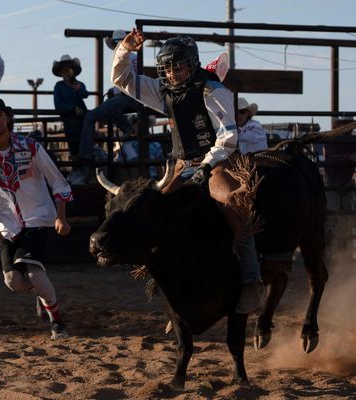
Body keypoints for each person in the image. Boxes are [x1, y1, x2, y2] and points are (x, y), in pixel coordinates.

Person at [112, 29, 262, 314]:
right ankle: (167, 278)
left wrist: (206, 166)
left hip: (220, 161)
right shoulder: (163, 91)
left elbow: (228, 137)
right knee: (152, 209)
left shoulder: (214, 90)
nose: (172, 72)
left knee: (232, 200)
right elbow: (123, 80)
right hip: (182, 165)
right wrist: (124, 50)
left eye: (177, 65)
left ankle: (251, 277)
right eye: (167, 67)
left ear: (192, 63)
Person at [0, 98, 73, 339]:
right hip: (7, 225)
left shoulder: (31, 147)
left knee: (35, 273)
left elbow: (57, 180)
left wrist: (61, 217)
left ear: (7, 118)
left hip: (37, 218)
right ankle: (41, 292)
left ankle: (57, 321)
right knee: (12, 282)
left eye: (0, 115)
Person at [73, 29, 143, 184]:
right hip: (136, 96)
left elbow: (124, 82)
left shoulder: (122, 58)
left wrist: (114, 91)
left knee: (92, 116)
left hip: (128, 96)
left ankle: (86, 156)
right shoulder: (135, 58)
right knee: (109, 107)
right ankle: (127, 127)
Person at [323, 116, 356, 211]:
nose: (347, 126)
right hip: (335, 182)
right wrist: (351, 157)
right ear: (339, 125)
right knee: (337, 213)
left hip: (343, 181)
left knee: (342, 212)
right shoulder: (332, 140)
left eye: (349, 124)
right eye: (344, 124)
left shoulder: (354, 141)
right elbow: (329, 158)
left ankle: (342, 225)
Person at [52, 54, 89, 163]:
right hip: (69, 118)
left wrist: (79, 89)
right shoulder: (58, 86)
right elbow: (58, 105)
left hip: (82, 118)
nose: (66, 73)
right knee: (74, 142)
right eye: (64, 71)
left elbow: (85, 94)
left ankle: (84, 161)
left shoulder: (79, 84)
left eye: (68, 70)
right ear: (60, 73)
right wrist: (73, 108)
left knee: (85, 140)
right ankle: (77, 162)